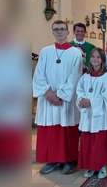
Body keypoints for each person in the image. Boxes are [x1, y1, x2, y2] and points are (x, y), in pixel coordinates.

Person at [33, 20, 83, 174]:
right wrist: (49, 94)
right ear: (52, 32)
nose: (59, 32)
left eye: (62, 29)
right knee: (51, 129)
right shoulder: (45, 51)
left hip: (65, 100)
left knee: (67, 129)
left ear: (68, 32)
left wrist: (60, 95)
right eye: (56, 29)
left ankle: (69, 160)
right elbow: (38, 74)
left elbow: (75, 76)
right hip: (48, 99)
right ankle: (53, 160)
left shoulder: (76, 52)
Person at [76, 48, 107, 179]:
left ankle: (101, 165)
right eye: (93, 56)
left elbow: (106, 96)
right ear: (89, 59)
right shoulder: (85, 77)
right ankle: (90, 166)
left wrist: (90, 101)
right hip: (87, 115)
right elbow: (79, 91)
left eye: (98, 57)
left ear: (103, 60)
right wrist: (81, 100)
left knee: (99, 142)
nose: (95, 59)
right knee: (87, 141)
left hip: (100, 115)